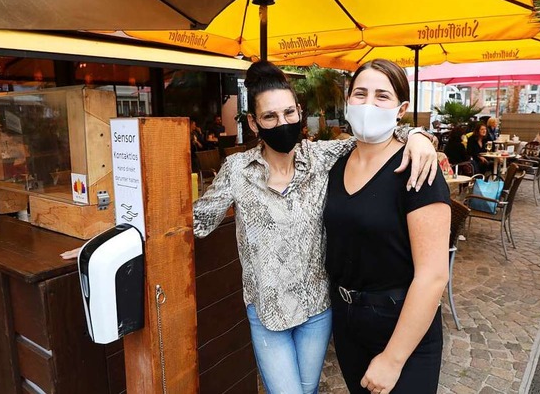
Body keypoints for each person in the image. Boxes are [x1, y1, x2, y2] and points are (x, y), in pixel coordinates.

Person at [60, 61, 439, 393]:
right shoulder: (237, 170)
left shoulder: (324, 156)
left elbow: (380, 135)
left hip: (317, 309)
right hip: (267, 312)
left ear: (300, 113)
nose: (283, 123)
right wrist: (122, 241)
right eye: (270, 117)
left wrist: (420, 137)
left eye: (290, 113)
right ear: (254, 122)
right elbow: (192, 222)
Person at [324, 59, 450, 394]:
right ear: (347, 100)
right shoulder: (336, 165)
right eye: (360, 93)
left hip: (401, 326)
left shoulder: (417, 169)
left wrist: (393, 359)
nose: (368, 104)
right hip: (349, 321)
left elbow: (434, 275)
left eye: (382, 96)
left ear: (401, 108)